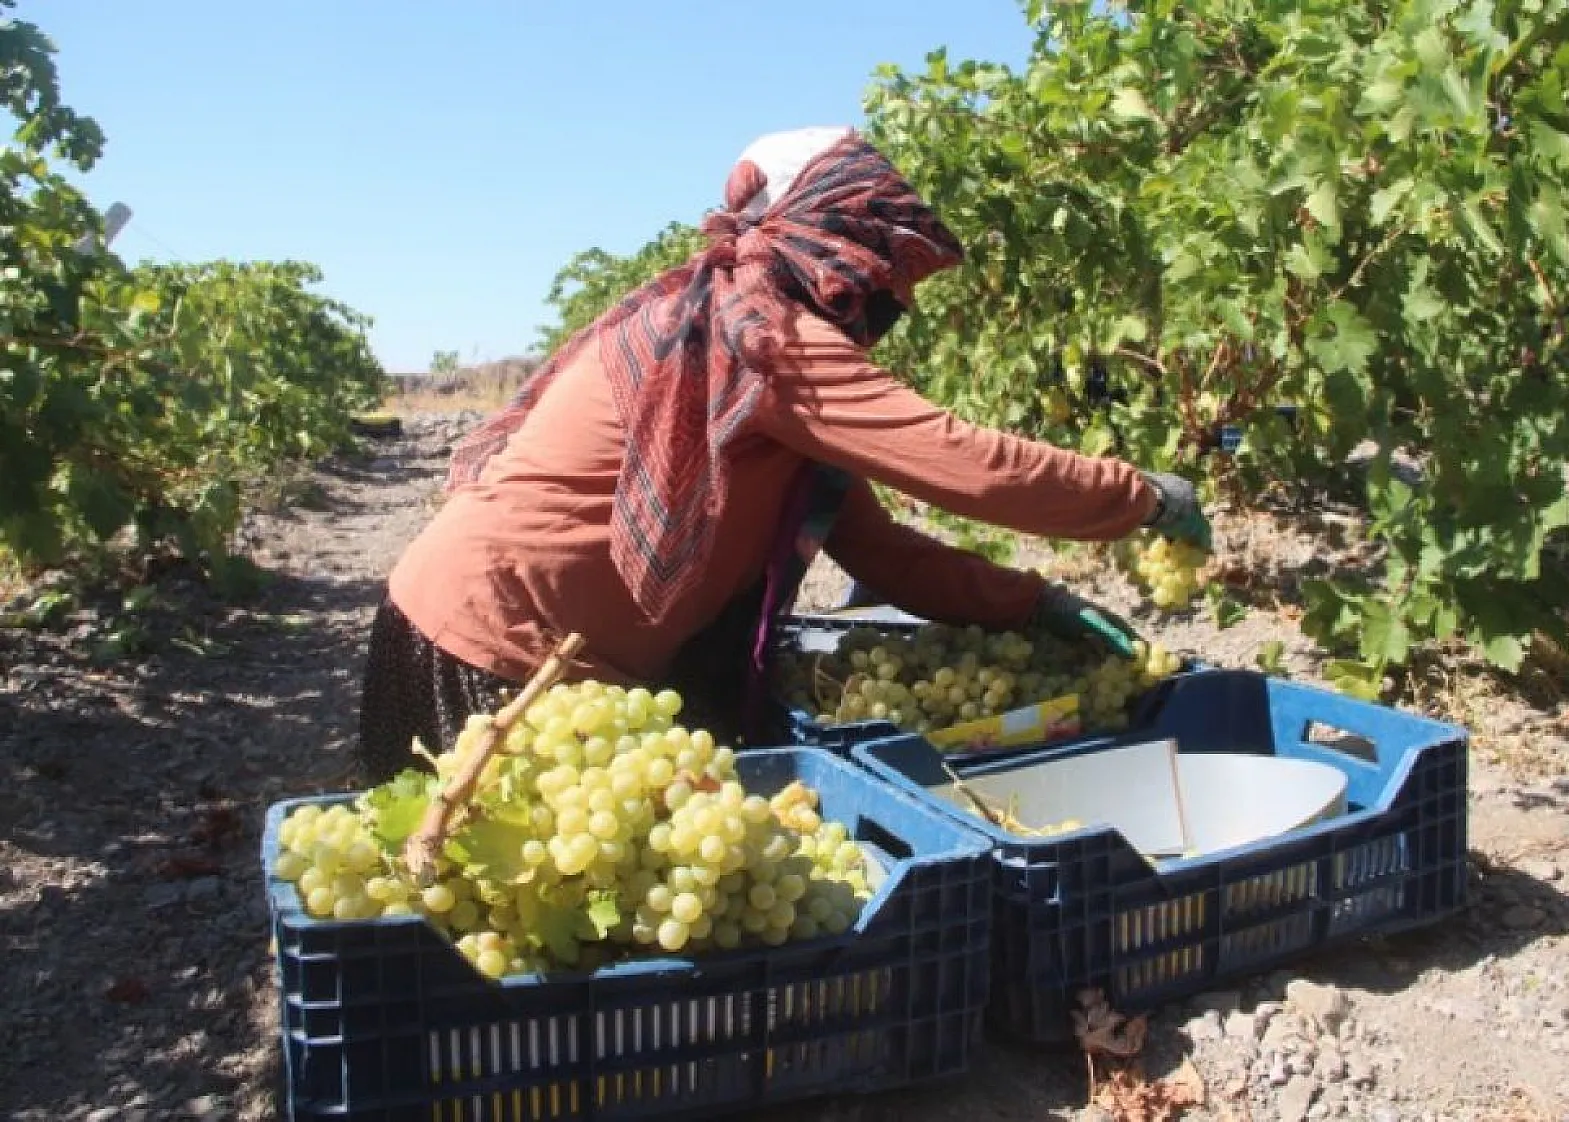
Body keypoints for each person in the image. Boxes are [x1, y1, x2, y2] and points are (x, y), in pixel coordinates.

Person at [355, 125, 1212, 782]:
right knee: (485, 921)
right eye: (884, 267)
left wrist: (1030, 604)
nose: (891, 297)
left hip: (515, 640)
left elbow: (880, 552)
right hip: (491, 647)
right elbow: (964, 460)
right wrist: (1138, 497)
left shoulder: (737, 338)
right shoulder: (764, 344)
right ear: (825, 239)